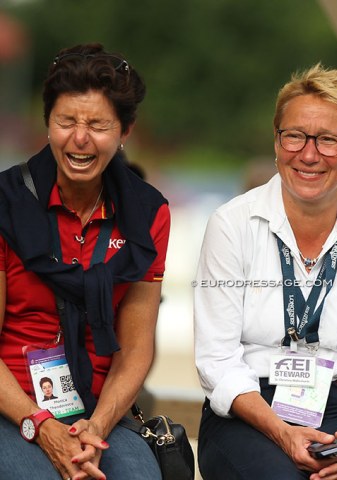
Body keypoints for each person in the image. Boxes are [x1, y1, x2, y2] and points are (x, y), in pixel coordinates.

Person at [194, 63, 337, 479]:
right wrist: (283, 433)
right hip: (250, 408)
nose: (309, 154)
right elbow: (217, 360)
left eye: (329, 140)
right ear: (276, 140)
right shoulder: (231, 224)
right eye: (294, 135)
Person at [0, 43, 170, 480]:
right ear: (47, 124)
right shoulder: (5, 202)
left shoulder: (149, 213)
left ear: (125, 131)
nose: (80, 138)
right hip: (9, 405)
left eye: (97, 125)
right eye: (66, 122)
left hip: (98, 412)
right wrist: (41, 425)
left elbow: (133, 349)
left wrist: (97, 427)